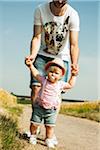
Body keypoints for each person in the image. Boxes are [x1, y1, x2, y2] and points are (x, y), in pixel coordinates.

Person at [25, 0, 80, 140]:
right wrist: (32, 55)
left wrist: (74, 64)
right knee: (36, 88)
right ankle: (35, 126)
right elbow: (37, 37)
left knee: (55, 92)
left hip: (62, 58)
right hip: (42, 54)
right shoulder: (40, 9)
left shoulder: (73, 15)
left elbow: (74, 44)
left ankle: (50, 129)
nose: (60, 1)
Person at [25, 57, 77, 148]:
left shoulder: (60, 84)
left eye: (56, 73)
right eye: (51, 72)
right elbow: (36, 74)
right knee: (34, 123)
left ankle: (48, 139)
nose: (53, 74)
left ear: (61, 76)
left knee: (50, 126)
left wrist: (73, 76)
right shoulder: (44, 80)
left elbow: (70, 85)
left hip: (51, 110)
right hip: (39, 107)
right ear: (46, 72)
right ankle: (33, 136)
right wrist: (30, 66)